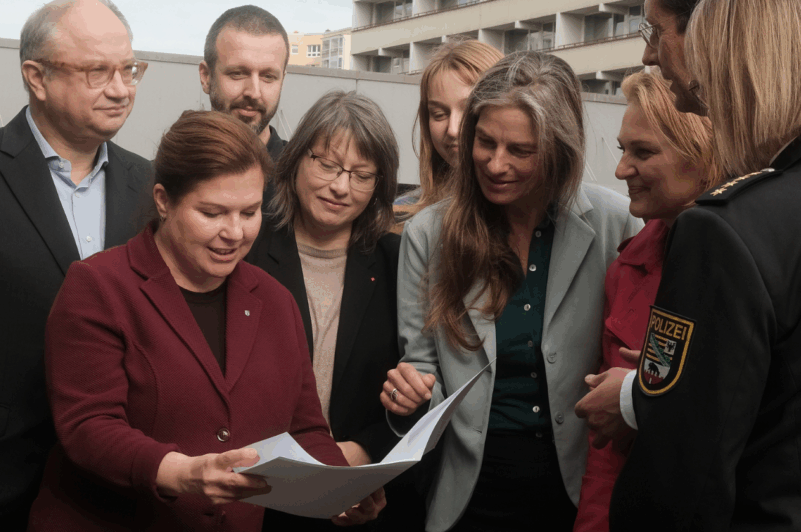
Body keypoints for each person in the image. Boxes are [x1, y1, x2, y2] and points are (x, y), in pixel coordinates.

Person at [609, 0, 801, 529]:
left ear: (726, 44)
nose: (649, 54)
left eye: (656, 31)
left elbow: (680, 481)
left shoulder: (732, 228)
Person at [26, 110, 384, 531]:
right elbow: (88, 427)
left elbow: (305, 428)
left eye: (249, 213)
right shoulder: (99, 287)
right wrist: (181, 472)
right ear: (164, 201)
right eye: (213, 213)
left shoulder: (276, 301)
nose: (234, 232)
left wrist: (340, 489)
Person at [0, 1, 155, 528]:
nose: (121, 88)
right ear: (36, 77)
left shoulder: (150, 187)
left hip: (118, 482)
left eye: (129, 69)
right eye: (98, 71)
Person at [382, 51, 642, 532]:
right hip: (467, 496)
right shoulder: (427, 233)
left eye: (520, 150)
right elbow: (420, 369)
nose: (495, 164)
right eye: (485, 142)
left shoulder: (618, 222)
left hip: (582, 490)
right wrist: (411, 393)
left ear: (560, 148)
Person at [245, 90, 422, 531]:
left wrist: (360, 456)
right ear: (296, 159)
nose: (341, 187)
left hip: (363, 496)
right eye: (327, 165)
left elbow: (417, 385)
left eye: (362, 175)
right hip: (256, 496)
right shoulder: (245, 248)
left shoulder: (398, 261)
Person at [571, 70, 720, 532]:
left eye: (643, 152)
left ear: (704, 153)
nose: (620, 171)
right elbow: (606, 446)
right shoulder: (627, 267)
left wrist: (642, 396)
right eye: (623, 150)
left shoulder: (753, 261)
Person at [394, 39, 503, 223]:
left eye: (469, 110)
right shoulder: (404, 214)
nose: (453, 129)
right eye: (438, 114)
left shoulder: (539, 216)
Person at [199, 5, 290, 201]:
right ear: (206, 76)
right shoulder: (166, 174)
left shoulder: (303, 181)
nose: (254, 93)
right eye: (237, 74)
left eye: (268, 77)